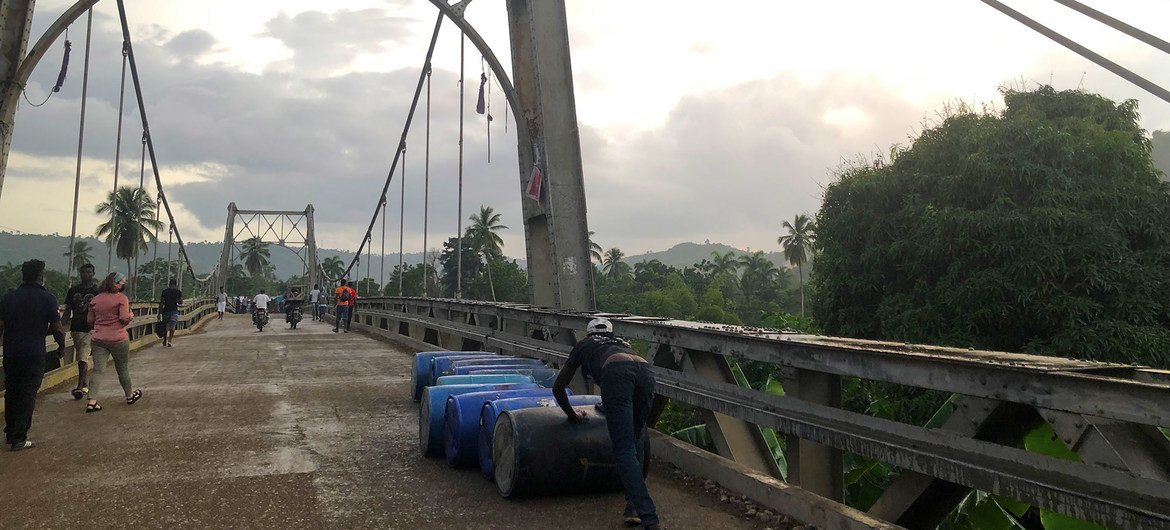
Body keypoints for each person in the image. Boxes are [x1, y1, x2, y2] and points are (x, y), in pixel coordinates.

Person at [553, 318, 659, 529]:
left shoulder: (584, 345)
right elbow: (629, 375)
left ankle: (649, 518)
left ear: (589, 332)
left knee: (624, 450)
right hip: (646, 372)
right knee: (636, 435)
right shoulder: (622, 342)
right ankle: (633, 506)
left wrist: (572, 414)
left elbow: (558, 387)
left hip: (615, 371)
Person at [0, 259, 66, 451]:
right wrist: (61, 348)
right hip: (34, 353)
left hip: (11, 353)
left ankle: (10, 431)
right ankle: (19, 438)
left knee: (12, 391)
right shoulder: (47, 298)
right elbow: (57, 328)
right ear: (41, 276)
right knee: (28, 394)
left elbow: (1, 326)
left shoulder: (9, 297)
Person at [84, 272, 142, 412]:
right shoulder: (122, 298)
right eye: (122, 282)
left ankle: (92, 401)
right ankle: (129, 396)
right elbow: (123, 318)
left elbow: (90, 321)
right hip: (118, 339)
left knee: (98, 370)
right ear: (116, 283)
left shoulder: (95, 300)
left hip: (98, 339)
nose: (124, 285)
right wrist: (130, 316)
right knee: (122, 368)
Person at [61, 263, 98, 400]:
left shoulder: (97, 291)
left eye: (88, 272)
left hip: (92, 328)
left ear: (93, 273)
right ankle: (85, 383)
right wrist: (59, 326)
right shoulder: (73, 291)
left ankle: (79, 387)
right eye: (83, 272)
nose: (85, 274)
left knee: (83, 354)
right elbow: (68, 311)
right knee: (82, 356)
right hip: (76, 327)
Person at [159, 278, 183, 347]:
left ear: (169, 284)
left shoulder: (164, 292)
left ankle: (164, 340)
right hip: (174, 311)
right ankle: (169, 341)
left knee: (165, 327)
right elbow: (181, 302)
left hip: (165, 311)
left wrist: (159, 313)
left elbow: (161, 303)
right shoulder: (178, 292)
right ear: (176, 284)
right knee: (172, 327)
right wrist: (177, 300)